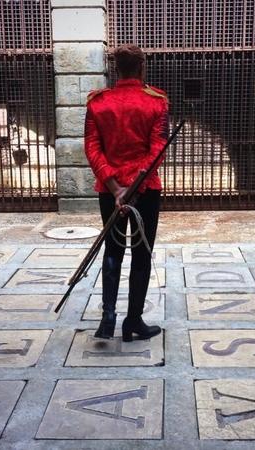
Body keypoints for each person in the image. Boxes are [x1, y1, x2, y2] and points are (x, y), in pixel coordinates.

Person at [84, 44, 169, 342]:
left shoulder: (97, 102)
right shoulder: (157, 102)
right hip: (145, 192)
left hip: (111, 192)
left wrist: (115, 186)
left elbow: (92, 148)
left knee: (112, 250)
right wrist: (135, 186)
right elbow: (158, 150)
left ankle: (108, 317)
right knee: (141, 254)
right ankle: (133, 320)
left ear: (116, 68)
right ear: (142, 67)